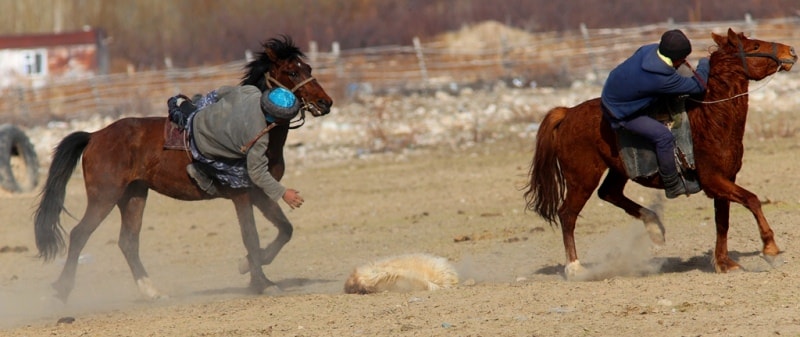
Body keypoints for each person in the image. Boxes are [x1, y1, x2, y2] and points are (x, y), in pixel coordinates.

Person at [601, 29, 710, 199]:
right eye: (683, 59)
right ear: (676, 58)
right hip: (620, 110)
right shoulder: (660, 79)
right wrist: (705, 63)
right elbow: (699, 86)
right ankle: (672, 184)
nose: (685, 61)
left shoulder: (649, 49)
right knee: (663, 137)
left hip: (614, 89)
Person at [186, 85, 305, 209]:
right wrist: (283, 192)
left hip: (198, 117)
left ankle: (197, 103)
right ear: (278, 119)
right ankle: (203, 171)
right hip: (201, 145)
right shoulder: (258, 137)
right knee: (243, 180)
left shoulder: (251, 91)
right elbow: (257, 172)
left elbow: (222, 92)